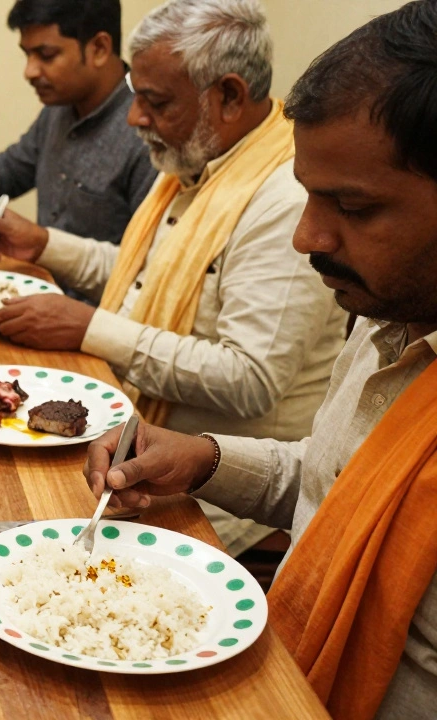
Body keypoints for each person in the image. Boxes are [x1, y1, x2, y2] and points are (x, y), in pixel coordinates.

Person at [85, 3, 437, 715]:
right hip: (282, 674)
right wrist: (205, 459)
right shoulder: (387, 317)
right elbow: (332, 482)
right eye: (309, 197)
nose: (308, 237)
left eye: (355, 209)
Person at [0, 0, 346, 559]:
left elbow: (249, 378)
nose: (134, 118)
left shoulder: (284, 197)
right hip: (133, 440)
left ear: (228, 95)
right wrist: (46, 245)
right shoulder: (197, 159)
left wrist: (90, 328)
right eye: (135, 94)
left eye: (155, 101)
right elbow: (140, 275)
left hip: (214, 502)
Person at [0, 0, 155, 247]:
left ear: (99, 48)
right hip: (39, 279)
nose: (29, 71)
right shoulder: (60, 109)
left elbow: (144, 269)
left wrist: (45, 246)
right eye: (27, 54)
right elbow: (10, 173)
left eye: (46, 55)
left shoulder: (148, 133)